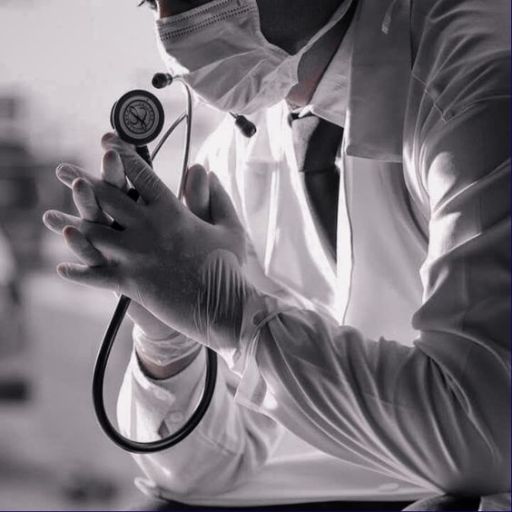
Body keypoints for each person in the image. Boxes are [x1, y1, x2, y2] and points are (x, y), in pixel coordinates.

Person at [43, 0, 510, 510]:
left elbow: (489, 434)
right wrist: (168, 338)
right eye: (151, 1)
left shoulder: (481, 82)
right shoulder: (236, 152)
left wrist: (232, 318)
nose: (171, 23)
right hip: (405, 462)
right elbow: (198, 473)